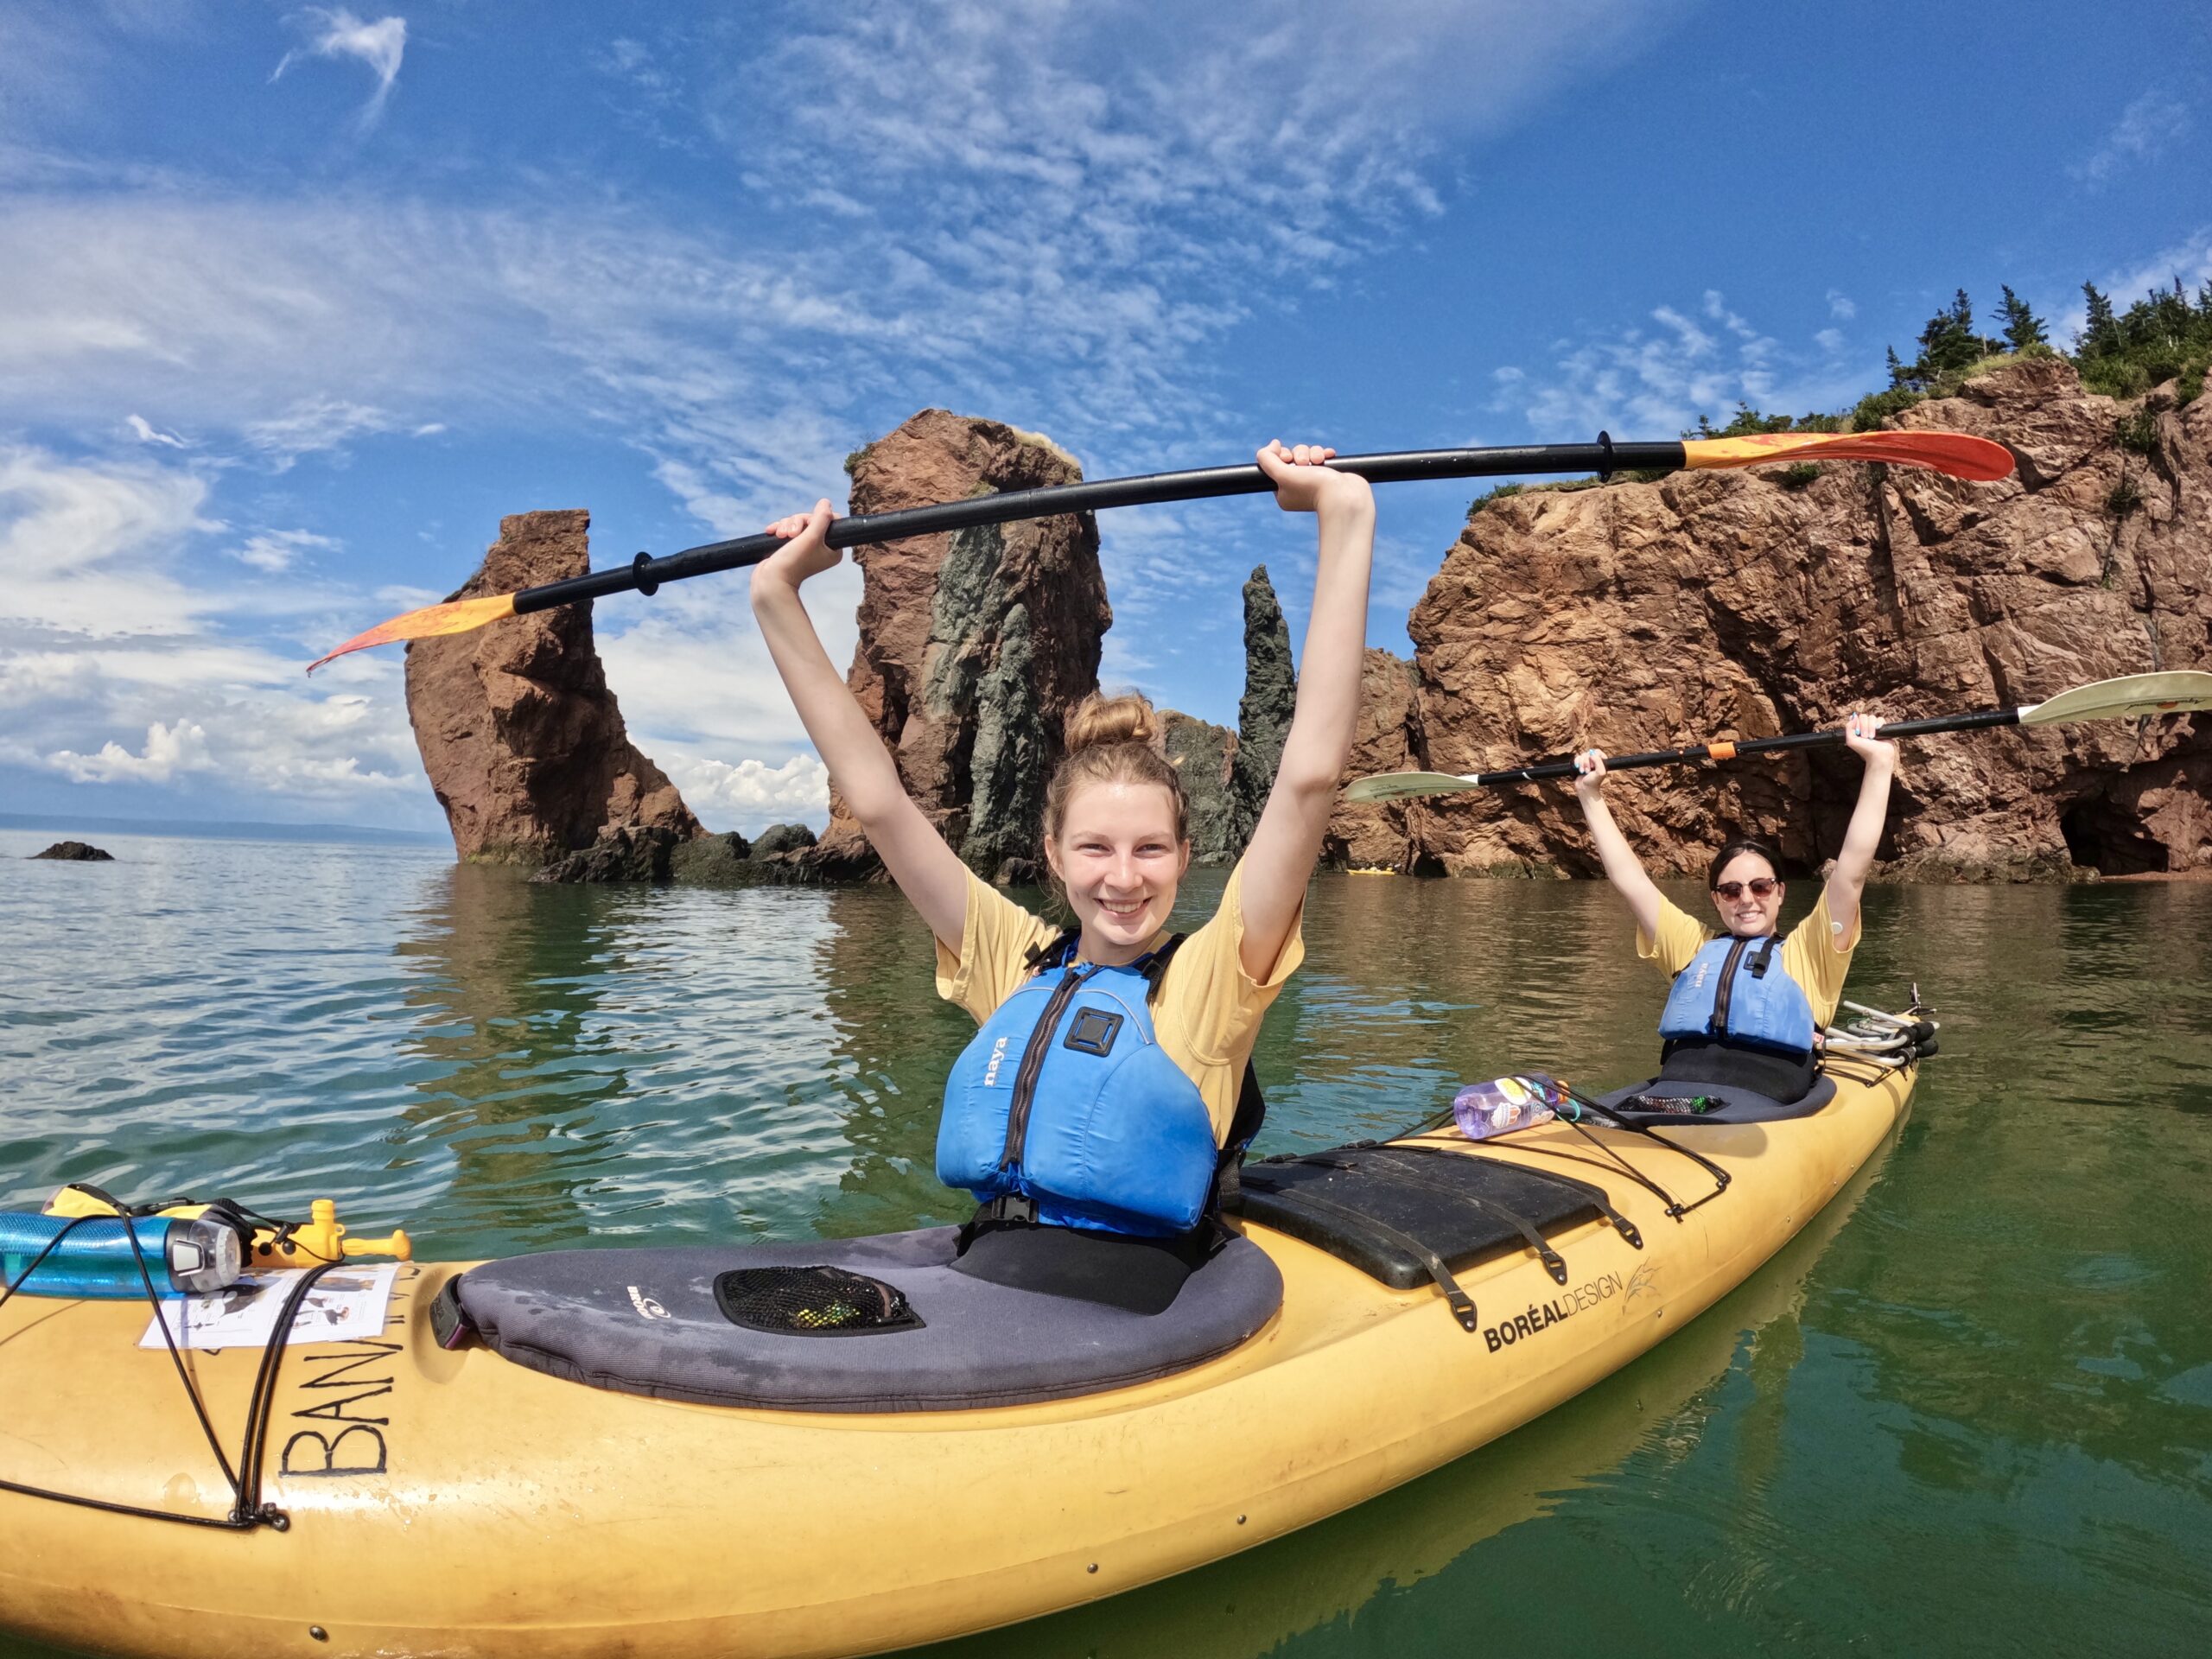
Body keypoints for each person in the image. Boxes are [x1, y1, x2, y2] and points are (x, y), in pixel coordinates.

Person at [751, 442, 1375, 1311]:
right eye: (1095, 849)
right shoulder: (1011, 959)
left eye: (1150, 849)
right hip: (989, 1276)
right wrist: (776, 594)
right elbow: (880, 802)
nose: (1124, 878)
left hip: (1133, 1310)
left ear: (1185, 856)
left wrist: (1344, 515)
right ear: (1052, 854)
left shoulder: (1213, 979)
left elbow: (1307, 777)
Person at [1570, 715, 1899, 1102]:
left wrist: (1879, 764)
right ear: (1716, 898)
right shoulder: (1691, 948)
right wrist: (1589, 795)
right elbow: (1631, 881)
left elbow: (1852, 871)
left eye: (1760, 887)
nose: (1746, 899)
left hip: (1764, 1104)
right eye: (1731, 890)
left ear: (1780, 892)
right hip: (1679, 1094)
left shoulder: (1812, 953)